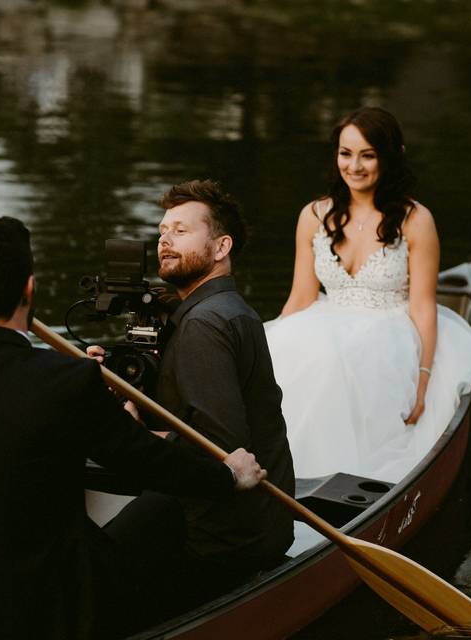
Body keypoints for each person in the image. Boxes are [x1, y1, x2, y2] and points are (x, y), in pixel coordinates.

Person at [0, 216, 268, 640]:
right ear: (29, 289)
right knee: (163, 506)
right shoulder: (65, 382)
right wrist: (228, 475)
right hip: (44, 596)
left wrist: (70, 383)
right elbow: (149, 464)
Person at [90, 180, 295, 617]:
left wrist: (134, 431)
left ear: (222, 247)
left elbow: (220, 453)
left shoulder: (204, 325)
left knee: (86, 568)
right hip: (252, 522)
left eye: (181, 231)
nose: (164, 239)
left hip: (218, 536)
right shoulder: (221, 310)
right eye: (163, 230)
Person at [266, 107, 471, 483]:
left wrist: (423, 382)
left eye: (367, 155)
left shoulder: (415, 220)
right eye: (345, 153)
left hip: (390, 330)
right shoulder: (313, 215)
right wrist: (270, 347)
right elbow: (301, 296)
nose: (354, 166)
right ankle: (279, 476)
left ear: (390, 155)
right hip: (325, 322)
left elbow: (422, 305)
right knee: (296, 358)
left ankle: (338, 484)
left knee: (338, 360)